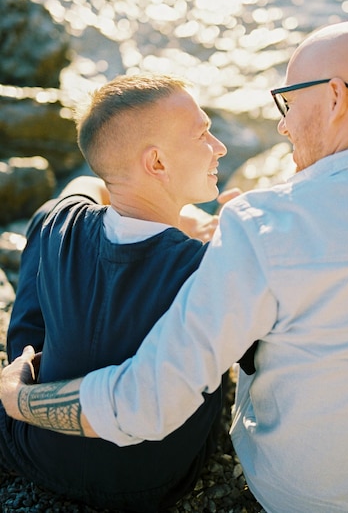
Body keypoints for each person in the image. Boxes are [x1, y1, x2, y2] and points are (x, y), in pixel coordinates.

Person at [3, 19, 348, 512]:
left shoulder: (266, 226)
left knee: (54, 233)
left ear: (334, 97)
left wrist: (19, 400)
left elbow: (145, 402)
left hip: (304, 495)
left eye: (288, 100)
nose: (283, 125)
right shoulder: (240, 234)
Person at [0, 74, 230, 512]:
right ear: (157, 163)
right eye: (203, 134)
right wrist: (194, 231)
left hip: (38, 451)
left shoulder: (63, 223)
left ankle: (24, 359)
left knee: (48, 225)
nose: (218, 146)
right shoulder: (207, 264)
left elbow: (79, 191)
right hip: (154, 476)